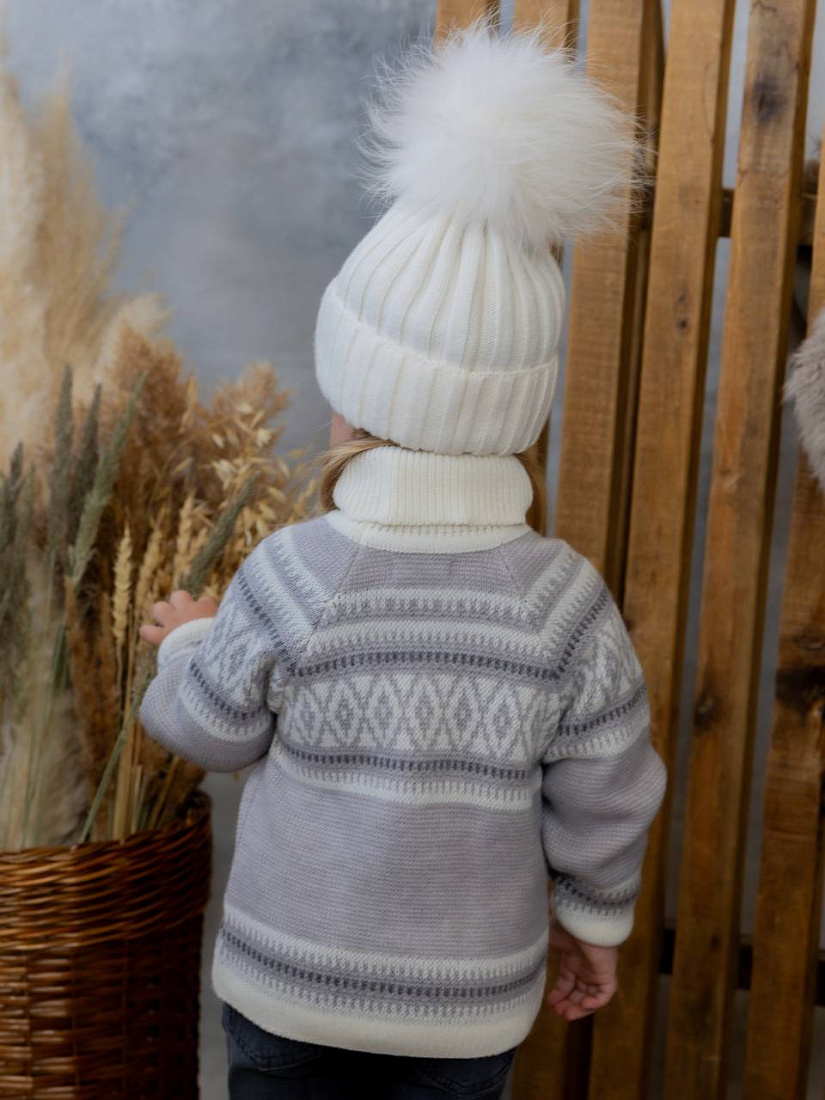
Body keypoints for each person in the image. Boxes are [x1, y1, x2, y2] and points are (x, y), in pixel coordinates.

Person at [139, 18, 667, 1100]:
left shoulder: (293, 573)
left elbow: (209, 729)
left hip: (289, 986)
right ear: (520, 412)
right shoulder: (563, 601)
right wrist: (593, 922)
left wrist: (190, 641)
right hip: (468, 1007)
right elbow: (608, 789)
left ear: (351, 394)